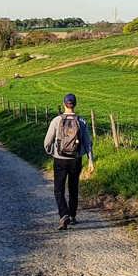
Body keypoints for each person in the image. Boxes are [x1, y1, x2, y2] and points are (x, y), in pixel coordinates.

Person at [43, 93, 94, 230]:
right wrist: (90, 160)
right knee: (73, 188)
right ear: (75, 104)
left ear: (64, 104)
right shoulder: (81, 121)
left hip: (60, 159)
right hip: (75, 159)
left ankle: (63, 214)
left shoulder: (56, 120)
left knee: (58, 189)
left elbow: (47, 142)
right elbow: (88, 142)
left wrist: (52, 152)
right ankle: (72, 216)